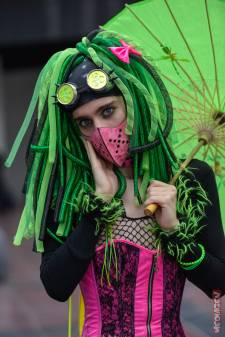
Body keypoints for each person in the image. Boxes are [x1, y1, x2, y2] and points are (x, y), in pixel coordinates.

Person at [8, 30, 225, 337]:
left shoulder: (189, 178)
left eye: (107, 111)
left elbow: (219, 286)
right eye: (85, 122)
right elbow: (56, 287)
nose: (100, 130)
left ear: (134, 102)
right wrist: (96, 210)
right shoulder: (71, 187)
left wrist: (174, 230)